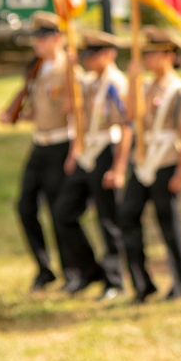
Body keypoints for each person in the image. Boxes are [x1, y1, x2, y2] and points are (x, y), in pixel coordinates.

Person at [115, 26, 181, 303]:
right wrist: (132, 80)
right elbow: (130, 115)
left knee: (167, 224)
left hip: (166, 161)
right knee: (127, 216)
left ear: (169, 55)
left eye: (153, 54)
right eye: (146, 54)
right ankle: (142, 283)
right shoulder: (145, 87)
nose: (148, 59)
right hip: (142, 161)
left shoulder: (179, 91)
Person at [0, 11, 73, 291]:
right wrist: (17, 115)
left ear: (57, 38)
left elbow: (72, 111)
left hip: (60, 144)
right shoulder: (37, 68)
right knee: (25, 206)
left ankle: (70, 270)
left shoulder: (68, 69)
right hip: (39, 144)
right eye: (35, 39)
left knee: (57, 211)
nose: (36, 44)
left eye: (42, 39)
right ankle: (44, 268)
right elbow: (39, 106)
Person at [52, 29, 129, 299]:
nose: (88, 60)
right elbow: (72, 109)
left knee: (108, 219)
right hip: (86, 153)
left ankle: (115, 280)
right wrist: (74, 151)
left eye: (93, 54)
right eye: (86, 55)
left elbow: (126, 126)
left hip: (107, 150)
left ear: (109, 54)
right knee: (63, 212)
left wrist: (118, 167)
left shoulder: (116, 83)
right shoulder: (89, 82)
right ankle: (88, 269)